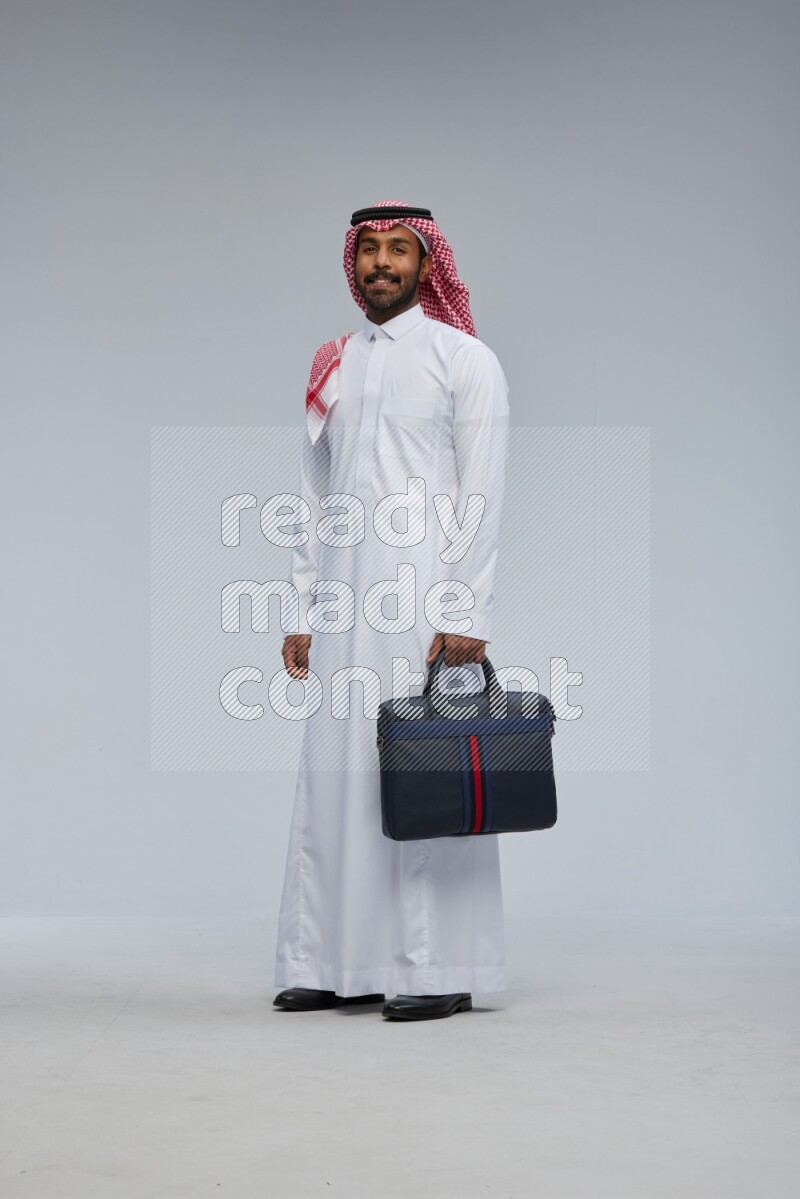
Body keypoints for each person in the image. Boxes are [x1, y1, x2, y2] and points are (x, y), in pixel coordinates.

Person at [273, 201, 510, 1021]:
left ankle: (435, 968)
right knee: (335, 777)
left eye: (398, 250)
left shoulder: (463, 358)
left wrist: (467, 607)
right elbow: (313, 493)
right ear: (353, 263)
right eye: (368, 250)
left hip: (422, 601)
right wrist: (301, 606)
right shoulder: (330, 364)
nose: (381, 263)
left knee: (423, 770)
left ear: (424, 262)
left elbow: (482, 490)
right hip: (341, 601)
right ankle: (333, 960)